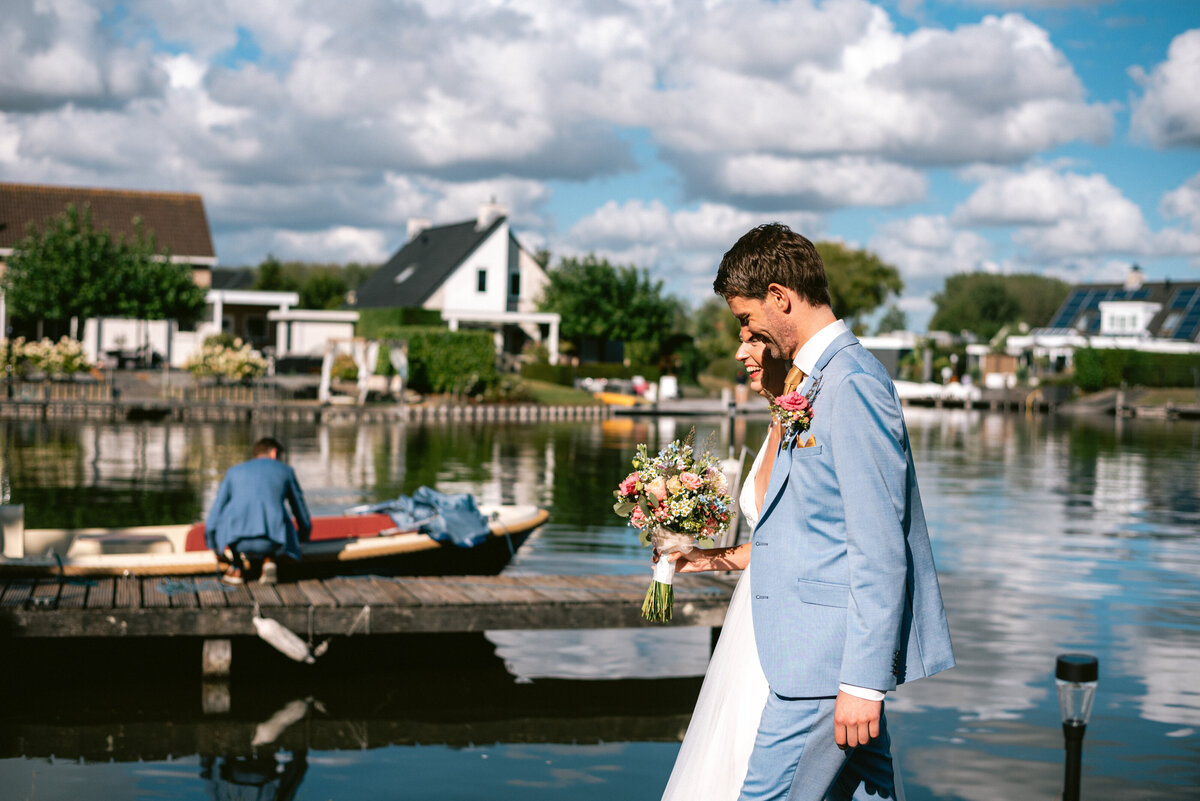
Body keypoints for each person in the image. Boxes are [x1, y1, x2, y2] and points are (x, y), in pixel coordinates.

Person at [709, 223, 955, 800]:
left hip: (822, 664)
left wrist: (863, 682)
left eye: (746, 319)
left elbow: (880, 545)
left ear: (779, 297)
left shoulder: (852, 383)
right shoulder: (817, 381)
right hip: (817, 653)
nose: (745, 334)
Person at [659, 334, 790, 800]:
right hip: (747, 617)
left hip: (786, 622)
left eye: (753, 338)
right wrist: (700, 560)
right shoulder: (779, 421)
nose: (741, 354)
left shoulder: (803, 424)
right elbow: (771, 543)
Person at [205, 437, 312, 585]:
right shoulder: (286, 471)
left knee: (229, 513)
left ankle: (237, 567)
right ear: (274, 453)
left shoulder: (233, 472)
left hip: (236, 542)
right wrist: (302, 540)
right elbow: (301, 513)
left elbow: (214, 517)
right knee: (278, 513)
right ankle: (270, 559)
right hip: (272, 542)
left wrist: (215, 548)